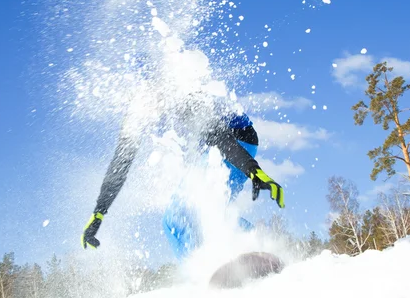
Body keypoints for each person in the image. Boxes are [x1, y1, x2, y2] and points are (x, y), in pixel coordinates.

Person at [80, 95, 285, 258]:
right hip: (208, 149)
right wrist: (99, 213)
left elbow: (220, 138)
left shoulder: (181, 97)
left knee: (178, 216)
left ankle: (204, 276)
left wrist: (254, 170)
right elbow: (119, 167)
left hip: (236, 140)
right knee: (204, 214)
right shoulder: (137, 114)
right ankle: (259, 243)